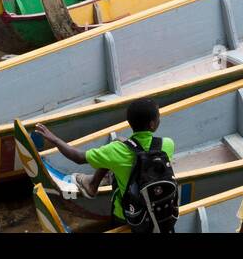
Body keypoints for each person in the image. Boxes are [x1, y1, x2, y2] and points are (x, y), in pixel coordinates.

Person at [34, 97, 175, 228]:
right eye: (158, 117)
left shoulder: (116, 150)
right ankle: (95, 183)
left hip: (127, 216)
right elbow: (143, 152)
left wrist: (55, 139)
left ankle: (92, 185)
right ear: (152, 124)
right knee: (117, 149)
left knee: (113, 149)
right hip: (159, 211)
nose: (159, 120)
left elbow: (78, 157)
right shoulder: (167, 145)